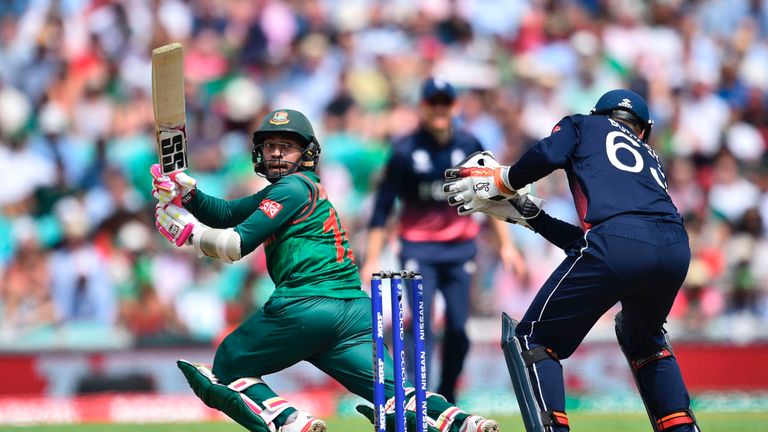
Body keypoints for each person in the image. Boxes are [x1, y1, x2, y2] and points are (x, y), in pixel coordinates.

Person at [151, 108, 500, 432]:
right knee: (396, 394)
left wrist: (189, 235)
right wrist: (189, 195)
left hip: (306, 302)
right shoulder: (294, 190)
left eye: (286, 147)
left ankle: (291, 423)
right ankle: (465, 423)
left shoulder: (292, 187)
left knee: (228, 366)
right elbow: (226, 213)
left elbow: (235, 244)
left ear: (306, 153)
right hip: (354, 312)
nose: (275, 153)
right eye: (271, 145)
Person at [443, 90, 700, 432]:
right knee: (645, 337)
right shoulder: (650, 159)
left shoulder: (584, 124)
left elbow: (549, 153)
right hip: (675, 249)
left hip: (618, 244)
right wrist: (531, 216)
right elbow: (605, 242)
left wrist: (504, 181)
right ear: (642, 129)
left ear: (600, 113)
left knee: (534, 339)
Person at [363, 78, 524, 404]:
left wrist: (507, 245)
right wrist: (371, 259)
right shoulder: (404, 151)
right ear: (423, 107)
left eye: (444, 103)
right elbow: (382, 209)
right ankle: (414, 397)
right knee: (421, 326)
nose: (438, 109)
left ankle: (447, 394)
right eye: (432, 103)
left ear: (454, 107)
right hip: (418, 249)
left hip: (460, 249)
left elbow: (492, 197)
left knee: (458, 331)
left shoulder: (469, 146)